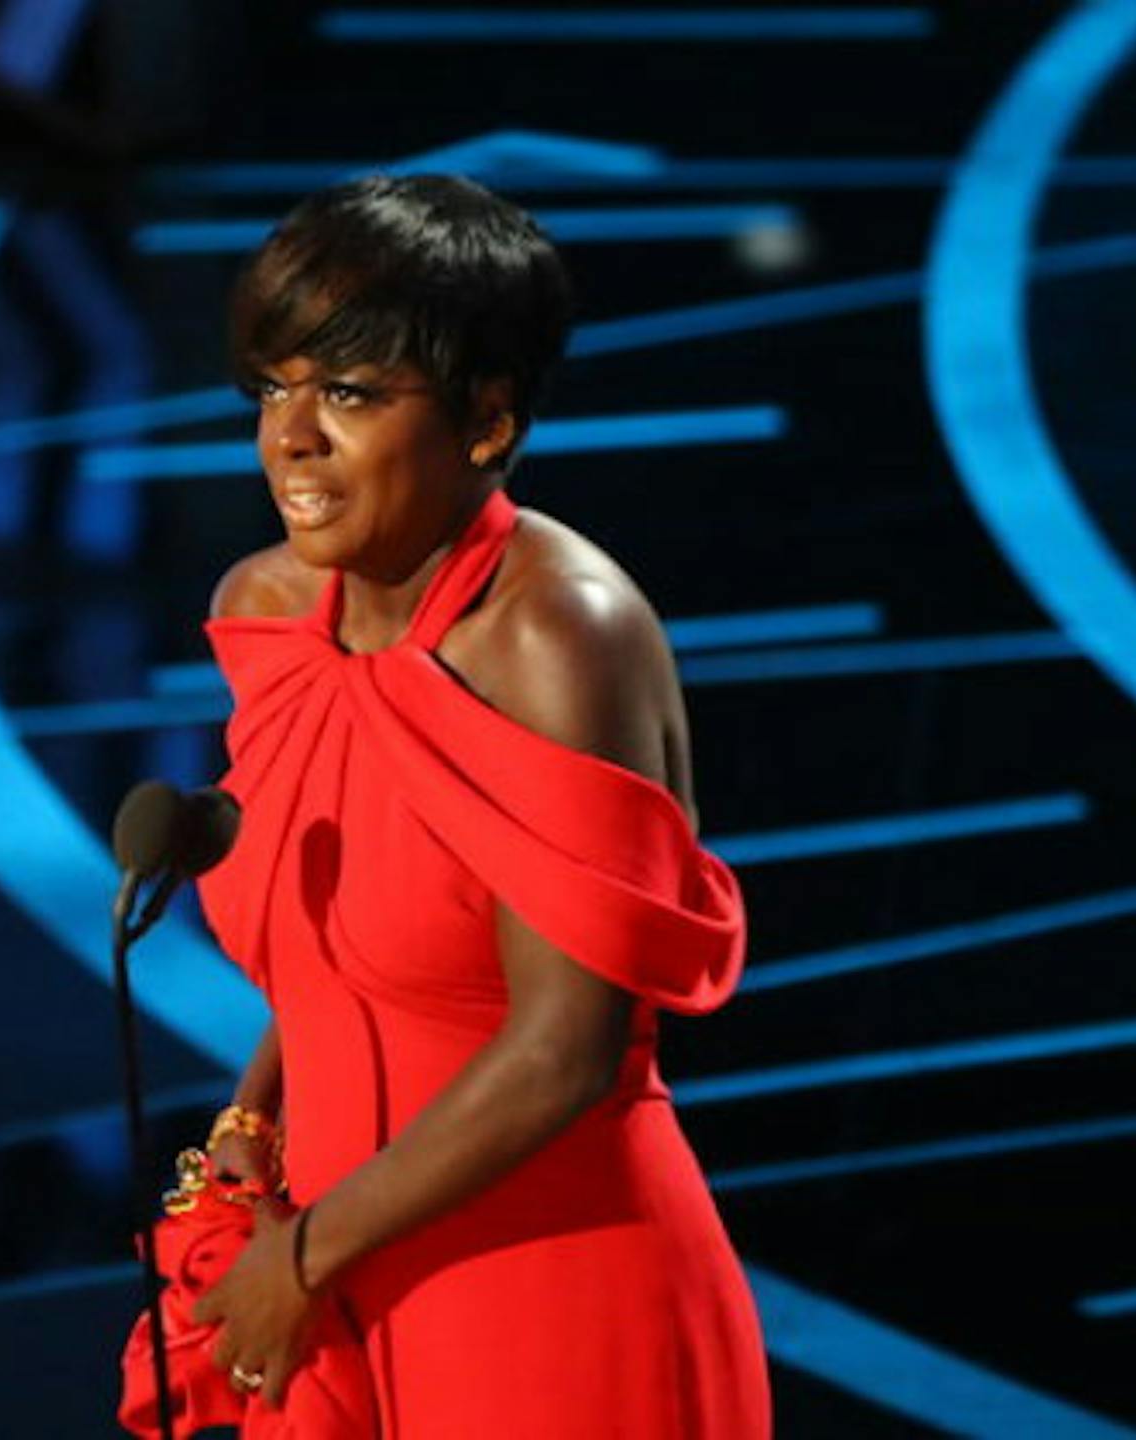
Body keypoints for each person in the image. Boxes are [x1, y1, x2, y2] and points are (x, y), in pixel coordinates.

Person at [181, 174, 769, 1437]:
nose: (291, 438)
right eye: (273, 389)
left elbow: (565, 1048)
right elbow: (343, 955)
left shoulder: (559, 633)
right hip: (332, 1274)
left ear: (488, 421)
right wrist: (254, 1114)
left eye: (349, 394)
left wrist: (301, 1260)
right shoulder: (269, 617)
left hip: (544, 1291)